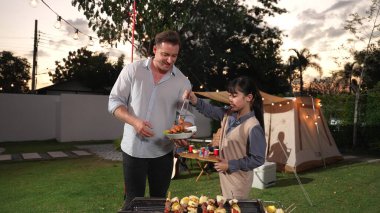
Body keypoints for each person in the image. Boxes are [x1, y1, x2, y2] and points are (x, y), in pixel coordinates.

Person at [108, 30, 194, 209]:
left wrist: (185, 130)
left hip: (162, 152)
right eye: (165, 55)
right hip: (133, 150)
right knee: (133, 202)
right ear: (154, 49)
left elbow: (186, 115)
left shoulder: (182, 82)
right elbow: (114, 102)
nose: (169, 61)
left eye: (174, 56)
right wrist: (134, 122)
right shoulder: (133, 70)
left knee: (159, 203)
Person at [184, 76, 266, 199]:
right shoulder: (229, 114)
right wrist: (194, 99)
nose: (230, 99)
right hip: (225, 178)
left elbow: (258, 159)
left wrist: (229, 165)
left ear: (249, 97)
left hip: (239, 182)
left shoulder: (253, 126)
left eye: (234, 96)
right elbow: (210, 110)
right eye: (229, 95)